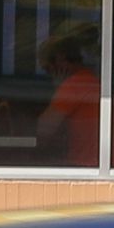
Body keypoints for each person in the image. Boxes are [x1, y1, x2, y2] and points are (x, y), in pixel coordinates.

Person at [36, 25, 102, 167]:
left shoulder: (74, 85)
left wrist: (59, 89)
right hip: (97, 162)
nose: (49, 75)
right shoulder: (89, 80)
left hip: (84, 164)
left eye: (48, 69)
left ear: (60, 60)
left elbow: (44, 130)